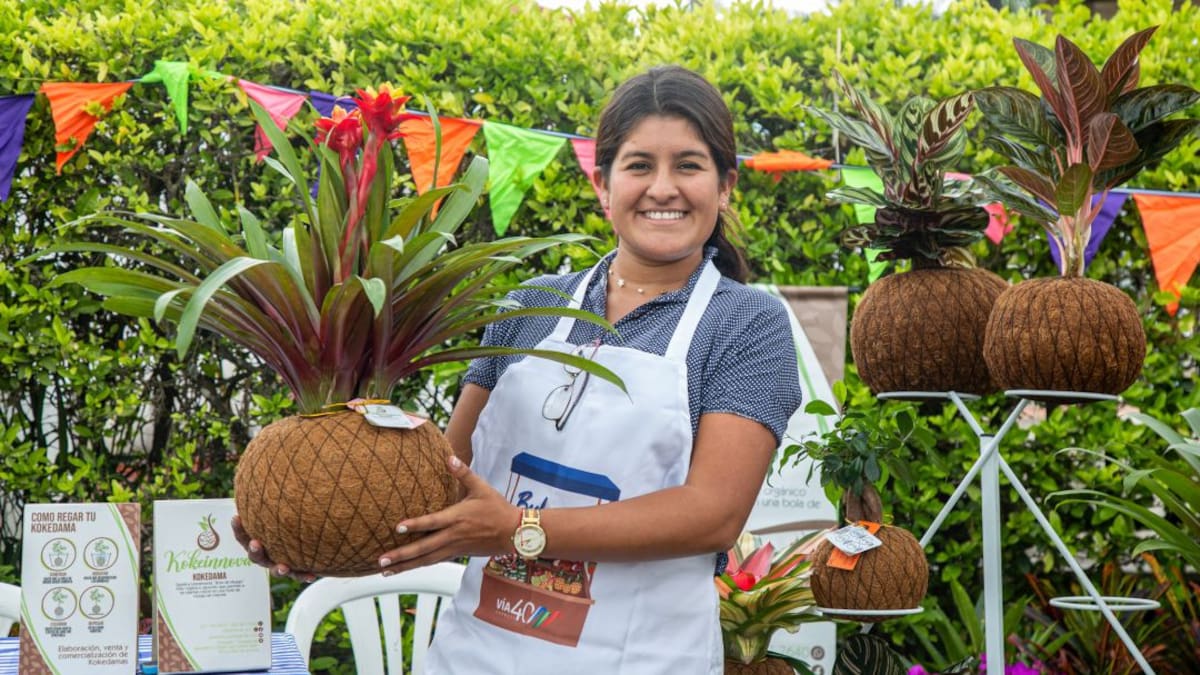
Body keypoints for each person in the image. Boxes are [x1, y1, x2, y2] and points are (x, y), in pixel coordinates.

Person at [237, 65, 802, 674]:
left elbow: (712, 515)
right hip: (475, 658)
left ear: (725, 186)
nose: (663, 188)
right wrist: (320, 526)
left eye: (688, 166)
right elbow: (449, 478)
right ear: (602, 185)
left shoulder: (747, 323)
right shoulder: (530, 305)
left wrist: (517, 529)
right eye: (639, 165)